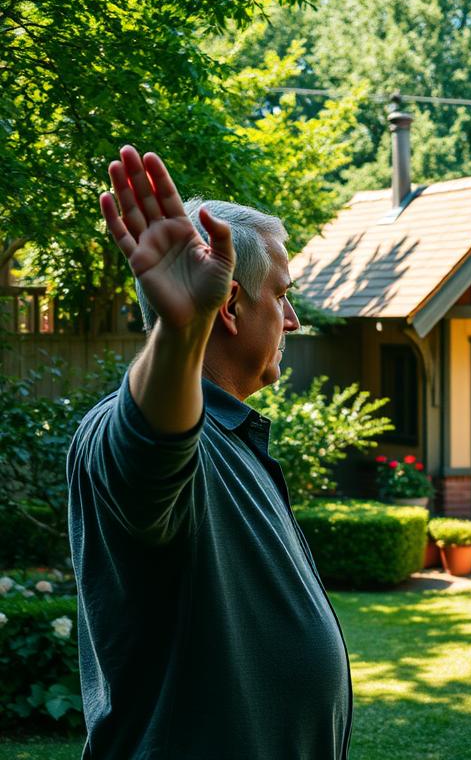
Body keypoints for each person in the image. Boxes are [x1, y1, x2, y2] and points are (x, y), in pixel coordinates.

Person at [66, 146, 353, 759]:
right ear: (227, 308)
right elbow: (149, 445)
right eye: (280, 296)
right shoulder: (134, 437)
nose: (294, 321)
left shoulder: (234, 436)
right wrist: (180, 332)